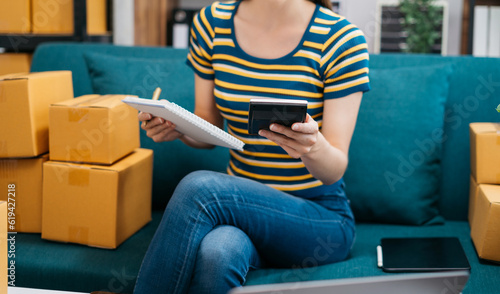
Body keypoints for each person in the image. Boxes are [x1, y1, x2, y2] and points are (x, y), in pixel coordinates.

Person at [133, 0, 370, 293]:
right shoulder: (212, 23)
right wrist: (177, 128)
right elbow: (209, 126)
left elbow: (334, 170)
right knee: (218, 254)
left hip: (317, 219)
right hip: (237, 213)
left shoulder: (341, 38)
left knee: (200, 188)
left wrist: (313, 146)